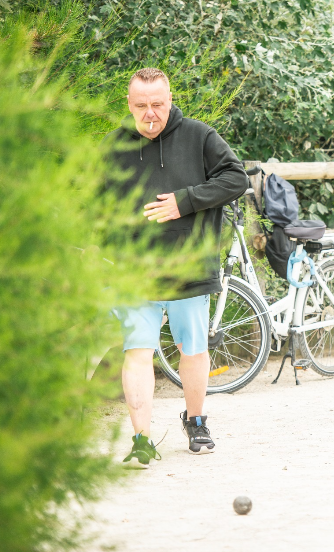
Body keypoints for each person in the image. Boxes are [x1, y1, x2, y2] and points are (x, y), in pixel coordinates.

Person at [105, 68, 249, 467]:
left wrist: (184, 201)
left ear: (169, 99)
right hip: (135, 270)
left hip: (190, 264)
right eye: (141, 106)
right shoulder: (114, 145)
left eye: (158, 104)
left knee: (194, 348)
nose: (150, 113)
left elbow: (235, 178)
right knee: (137, 351)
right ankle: (141, 438)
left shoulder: (199, 136)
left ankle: (197, 421)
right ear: (129, 104)